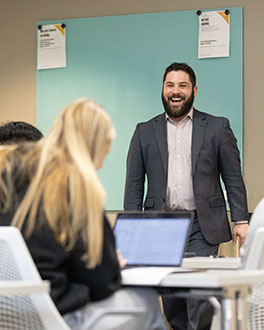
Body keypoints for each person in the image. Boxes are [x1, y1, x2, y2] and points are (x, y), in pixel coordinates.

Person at [0, 98, 167, 330]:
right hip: (58, 316)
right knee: (145, 300)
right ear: (96, 145)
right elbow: (102, 284)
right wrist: (113, 263)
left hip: (12, 315)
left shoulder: (19, 177)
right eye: (105, 150)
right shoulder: (76, 186)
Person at [124, 62, 249, 330]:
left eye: (182, 85)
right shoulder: (144, 131)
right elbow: (134, 184)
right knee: (172, 302)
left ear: (193, 90)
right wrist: (131, 229)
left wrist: (240, 219)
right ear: (163, 89)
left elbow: (233, 178)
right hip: (161, 227)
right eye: (170, 85)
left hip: (202, 226)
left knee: (200, 301)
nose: (175, 91)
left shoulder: (217, 127)